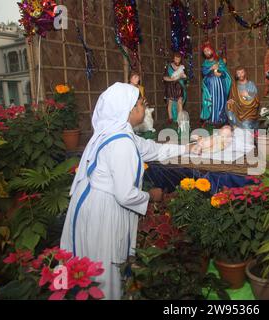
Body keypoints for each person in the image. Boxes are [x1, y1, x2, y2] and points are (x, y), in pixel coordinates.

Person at [60, 83, 199, 300]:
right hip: (103, 213)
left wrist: (186, 148)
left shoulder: (117, 134)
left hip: (95, 206)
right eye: (142, 104)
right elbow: (125, 194)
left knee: (96, 267)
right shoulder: (121, 142)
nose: (145, 108)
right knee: (105, 271)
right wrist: (151, 196)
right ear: (130, 109)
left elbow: (152, 149)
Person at [201, 42, 232, 125]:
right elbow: (204, 72)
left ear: (212, 50)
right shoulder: (205, 64)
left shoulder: (219, 61)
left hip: (219, 87)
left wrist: (221, 73)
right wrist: (211, 68)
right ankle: (210, 119)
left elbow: (225, 73)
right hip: (210, 87)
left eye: (208, 50)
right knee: (211, 102)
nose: (207, 52)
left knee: (220, 102)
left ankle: (220, 119)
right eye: (205, 52)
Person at [163, 52, 187, 124]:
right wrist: (172, 79)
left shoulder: (182, 67)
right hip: (170, 86)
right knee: (170, 102)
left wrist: (183, 76)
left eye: (178, 59)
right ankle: (170, 118)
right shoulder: (168, 67)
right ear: (173, 59)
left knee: (179, 102)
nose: (177, 60)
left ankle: (179, 119)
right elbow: (164, 77)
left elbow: (186, 77)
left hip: (179, 87)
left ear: (180, 59)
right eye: (176, 58)